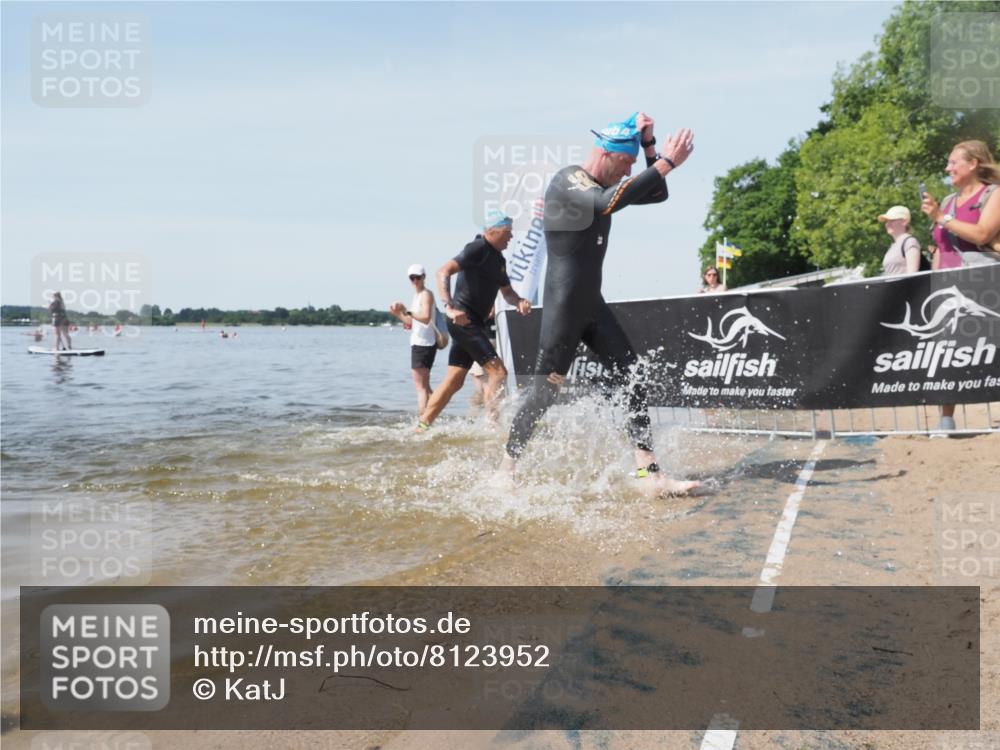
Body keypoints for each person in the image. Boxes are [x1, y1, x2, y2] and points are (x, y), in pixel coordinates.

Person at [501, 112, 699, 496]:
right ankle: (506, 469)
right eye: (624, 163)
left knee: (632, 378)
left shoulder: (610, 182)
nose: (627, 172)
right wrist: (667, 163)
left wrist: (648, 147)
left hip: (592, 305)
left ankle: (649, 474)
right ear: (606, 153)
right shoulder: (569, 179)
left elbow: (656, 192)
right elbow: (609, 202)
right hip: (564, 309)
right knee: (544, 393)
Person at [416, 212, 532, 431]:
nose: (511, 237)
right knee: (499, 372)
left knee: (454, 381)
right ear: (492, 231)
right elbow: (443, 271)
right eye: (508, 232)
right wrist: (449, 307)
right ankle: (493, 427)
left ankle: (422, 426)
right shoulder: (477, 248)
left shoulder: (499, 260)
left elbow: (507, 292)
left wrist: (519, 301)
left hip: (472, 323)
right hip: (463, 319)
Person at [920, 140, 1000, 433]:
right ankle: (946, 420)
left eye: (954, 162)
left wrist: (942, 218)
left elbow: (981, 233)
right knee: (947, 353)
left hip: (987, 284)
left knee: (994, 349)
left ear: (973, 164)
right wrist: (934, 283)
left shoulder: (994, 195)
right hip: (950, 289)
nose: (947, 168)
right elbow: (941, 247)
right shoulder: (949, 202)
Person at [389, 264, 439, 415]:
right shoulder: (417, 296)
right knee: (425, 386)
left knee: (420, 388)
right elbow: (411, 322)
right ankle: (434, 416)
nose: (415, 280)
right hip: (420, 343)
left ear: (424, 277)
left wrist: (406, 310)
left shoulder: (426, 294)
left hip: (424, 344)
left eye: (418, 277)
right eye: (412, 278)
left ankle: (423, 421)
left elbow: (425, 318)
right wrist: (397, 313)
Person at [878, 205, 922, 276]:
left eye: (892, 220)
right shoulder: (893, 245)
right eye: (886, 221)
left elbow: (912, 276)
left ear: (904, 222)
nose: (887, 224)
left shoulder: (909, 242)